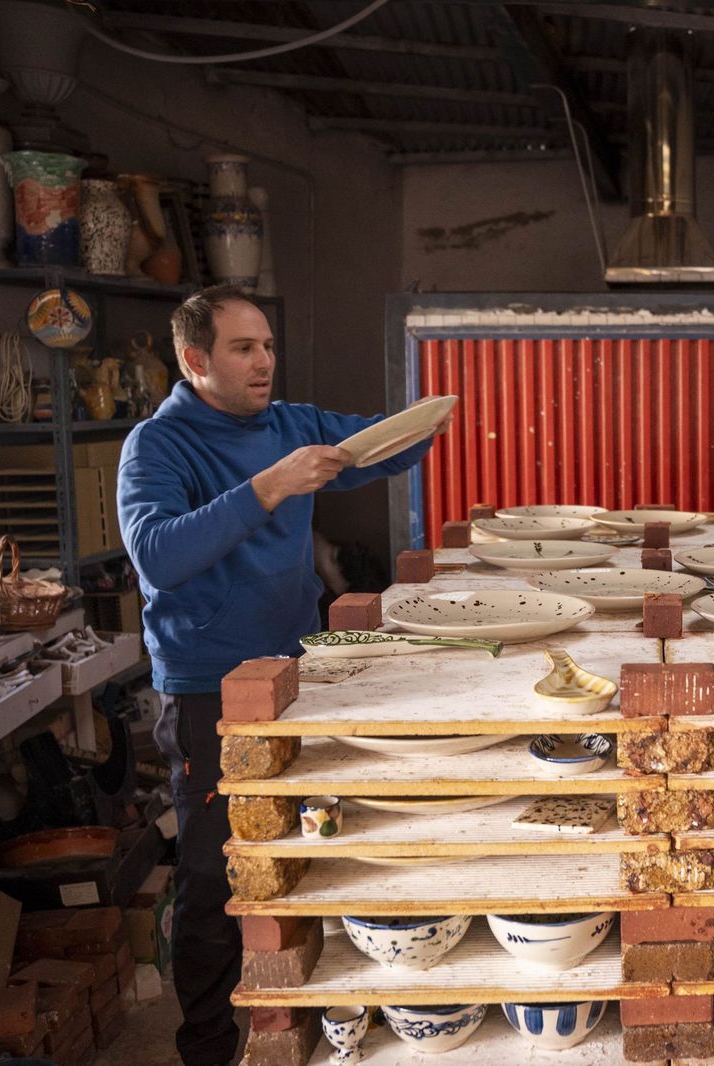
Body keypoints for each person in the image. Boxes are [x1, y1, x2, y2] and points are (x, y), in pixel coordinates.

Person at [117, 285, 451, 1066]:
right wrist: (271, 485)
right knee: (214, 872)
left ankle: (309, 1013)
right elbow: (158, 554)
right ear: (195, 360)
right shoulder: (158, 445)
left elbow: (383, 447)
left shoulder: (289, 423)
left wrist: (426, 419)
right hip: (208, 684)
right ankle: (204, 1044)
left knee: (307, 850)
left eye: (267, 345)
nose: (264, 360)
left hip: (295, 671)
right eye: (243, 348)